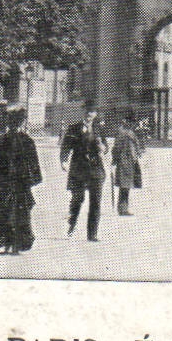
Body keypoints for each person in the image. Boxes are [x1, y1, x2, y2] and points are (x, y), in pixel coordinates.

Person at [0, 106, 41, 254]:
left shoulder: (25, 141)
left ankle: (14, 244)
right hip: (9, 183)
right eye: (13, 124)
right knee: (9, 213)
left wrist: (32, 179)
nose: (14, 126)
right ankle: (9, 244)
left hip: (18, 183)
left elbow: (33, 162)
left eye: (16, 123)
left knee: (16, 214)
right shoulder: (4, 141)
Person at [60, 101, 108, 241]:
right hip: (79, 169)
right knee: (77, 199)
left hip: (95, 169)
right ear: (84, 113)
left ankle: (92, 234)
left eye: (92, 112)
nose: (89, 115)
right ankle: (72, 223)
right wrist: (63, 160)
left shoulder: (99, 129)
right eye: (87, 112)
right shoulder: (74, 128)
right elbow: (66, 146)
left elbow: (106, 148)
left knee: (96, 202)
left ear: (95, 114)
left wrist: (103, 148)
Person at [112, 116, 144, 216]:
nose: (133, 124)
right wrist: (115, 159)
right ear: (125, 121)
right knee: (125, 186)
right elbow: (117, 148)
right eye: (131, 122)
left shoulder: (129, 131)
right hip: (124, 162)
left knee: (126, 186)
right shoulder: (123, 132)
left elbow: (135, 146)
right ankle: (122, 208)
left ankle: (123, 208)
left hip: (130, 162)